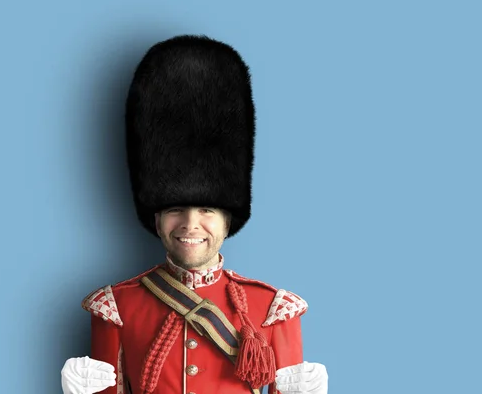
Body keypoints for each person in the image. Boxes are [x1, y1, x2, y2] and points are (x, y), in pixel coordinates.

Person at [61, 36, 329, 394]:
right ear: (156, 217)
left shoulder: (272, 309)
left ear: (227, 220)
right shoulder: (117, 307)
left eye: (207, 209)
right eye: (175, 208)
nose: (191, 224)